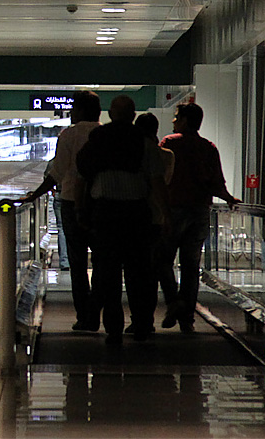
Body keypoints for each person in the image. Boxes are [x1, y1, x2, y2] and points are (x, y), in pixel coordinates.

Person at [76, 95, 167, 345]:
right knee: (138, 273)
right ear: (133, 114)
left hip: (105, 215)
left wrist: (82, 211)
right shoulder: (144, 142)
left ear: (111, 114)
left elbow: (81, 177)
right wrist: (164, 214)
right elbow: (157, 181)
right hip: (136, 215)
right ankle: (140, 325)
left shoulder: (97, 139)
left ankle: (113, 329)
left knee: (108, 274)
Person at [18, 90, 102, 332]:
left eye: (73, 109)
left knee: (77, 262)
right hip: (100, 203)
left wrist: (35, 194)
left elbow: (58, 172)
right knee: (102, 261)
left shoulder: (69, 135)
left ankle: (84, 316)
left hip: (71, 203)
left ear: (82, 110)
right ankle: (97, 311)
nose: (70, 113)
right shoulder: (104, 134)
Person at [157, 102, 241, 333]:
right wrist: (229, 198)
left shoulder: (169, 143)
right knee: (191, 265)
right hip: (200, 211)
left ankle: (173, 301)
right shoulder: (208, 147)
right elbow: (216, 183)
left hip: (173, 210)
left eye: (176, 117)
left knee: (163, 260)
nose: (174, 121)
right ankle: (187, 319)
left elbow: (160, 177)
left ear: (184, 120)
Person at [134, 111, 175, 333]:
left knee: (141, 271)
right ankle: (172, 303)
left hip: (140, 216)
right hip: (160, 216)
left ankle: (144, 319)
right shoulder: (168, 155)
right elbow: (164, 183)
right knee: (158, 265)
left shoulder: (137, 155)